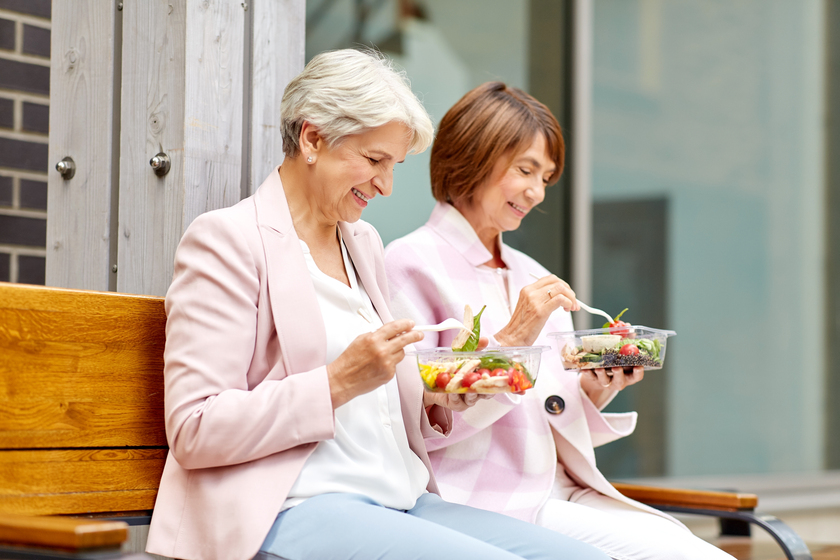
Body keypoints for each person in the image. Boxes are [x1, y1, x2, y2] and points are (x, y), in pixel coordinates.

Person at [145, 51, 610, 560]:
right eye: (374, 161)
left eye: (394, 166)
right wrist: (337, 381)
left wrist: (438, 395)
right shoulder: (226, 241)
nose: (386, 186)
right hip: (295, 505)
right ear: (312, 138)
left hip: (401, 497)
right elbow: (195, 428)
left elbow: (380, 402)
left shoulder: (362, 243)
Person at [384, 82, 735, 560]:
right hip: (482, 502)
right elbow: (417, 426)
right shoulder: (408, 264)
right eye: (525, 169)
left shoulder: (532, 274)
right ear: (471, 156)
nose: (537, 192)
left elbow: (550, 414)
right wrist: (513, 338)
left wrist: (595, 386)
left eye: (546, 177)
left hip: (562, 491)